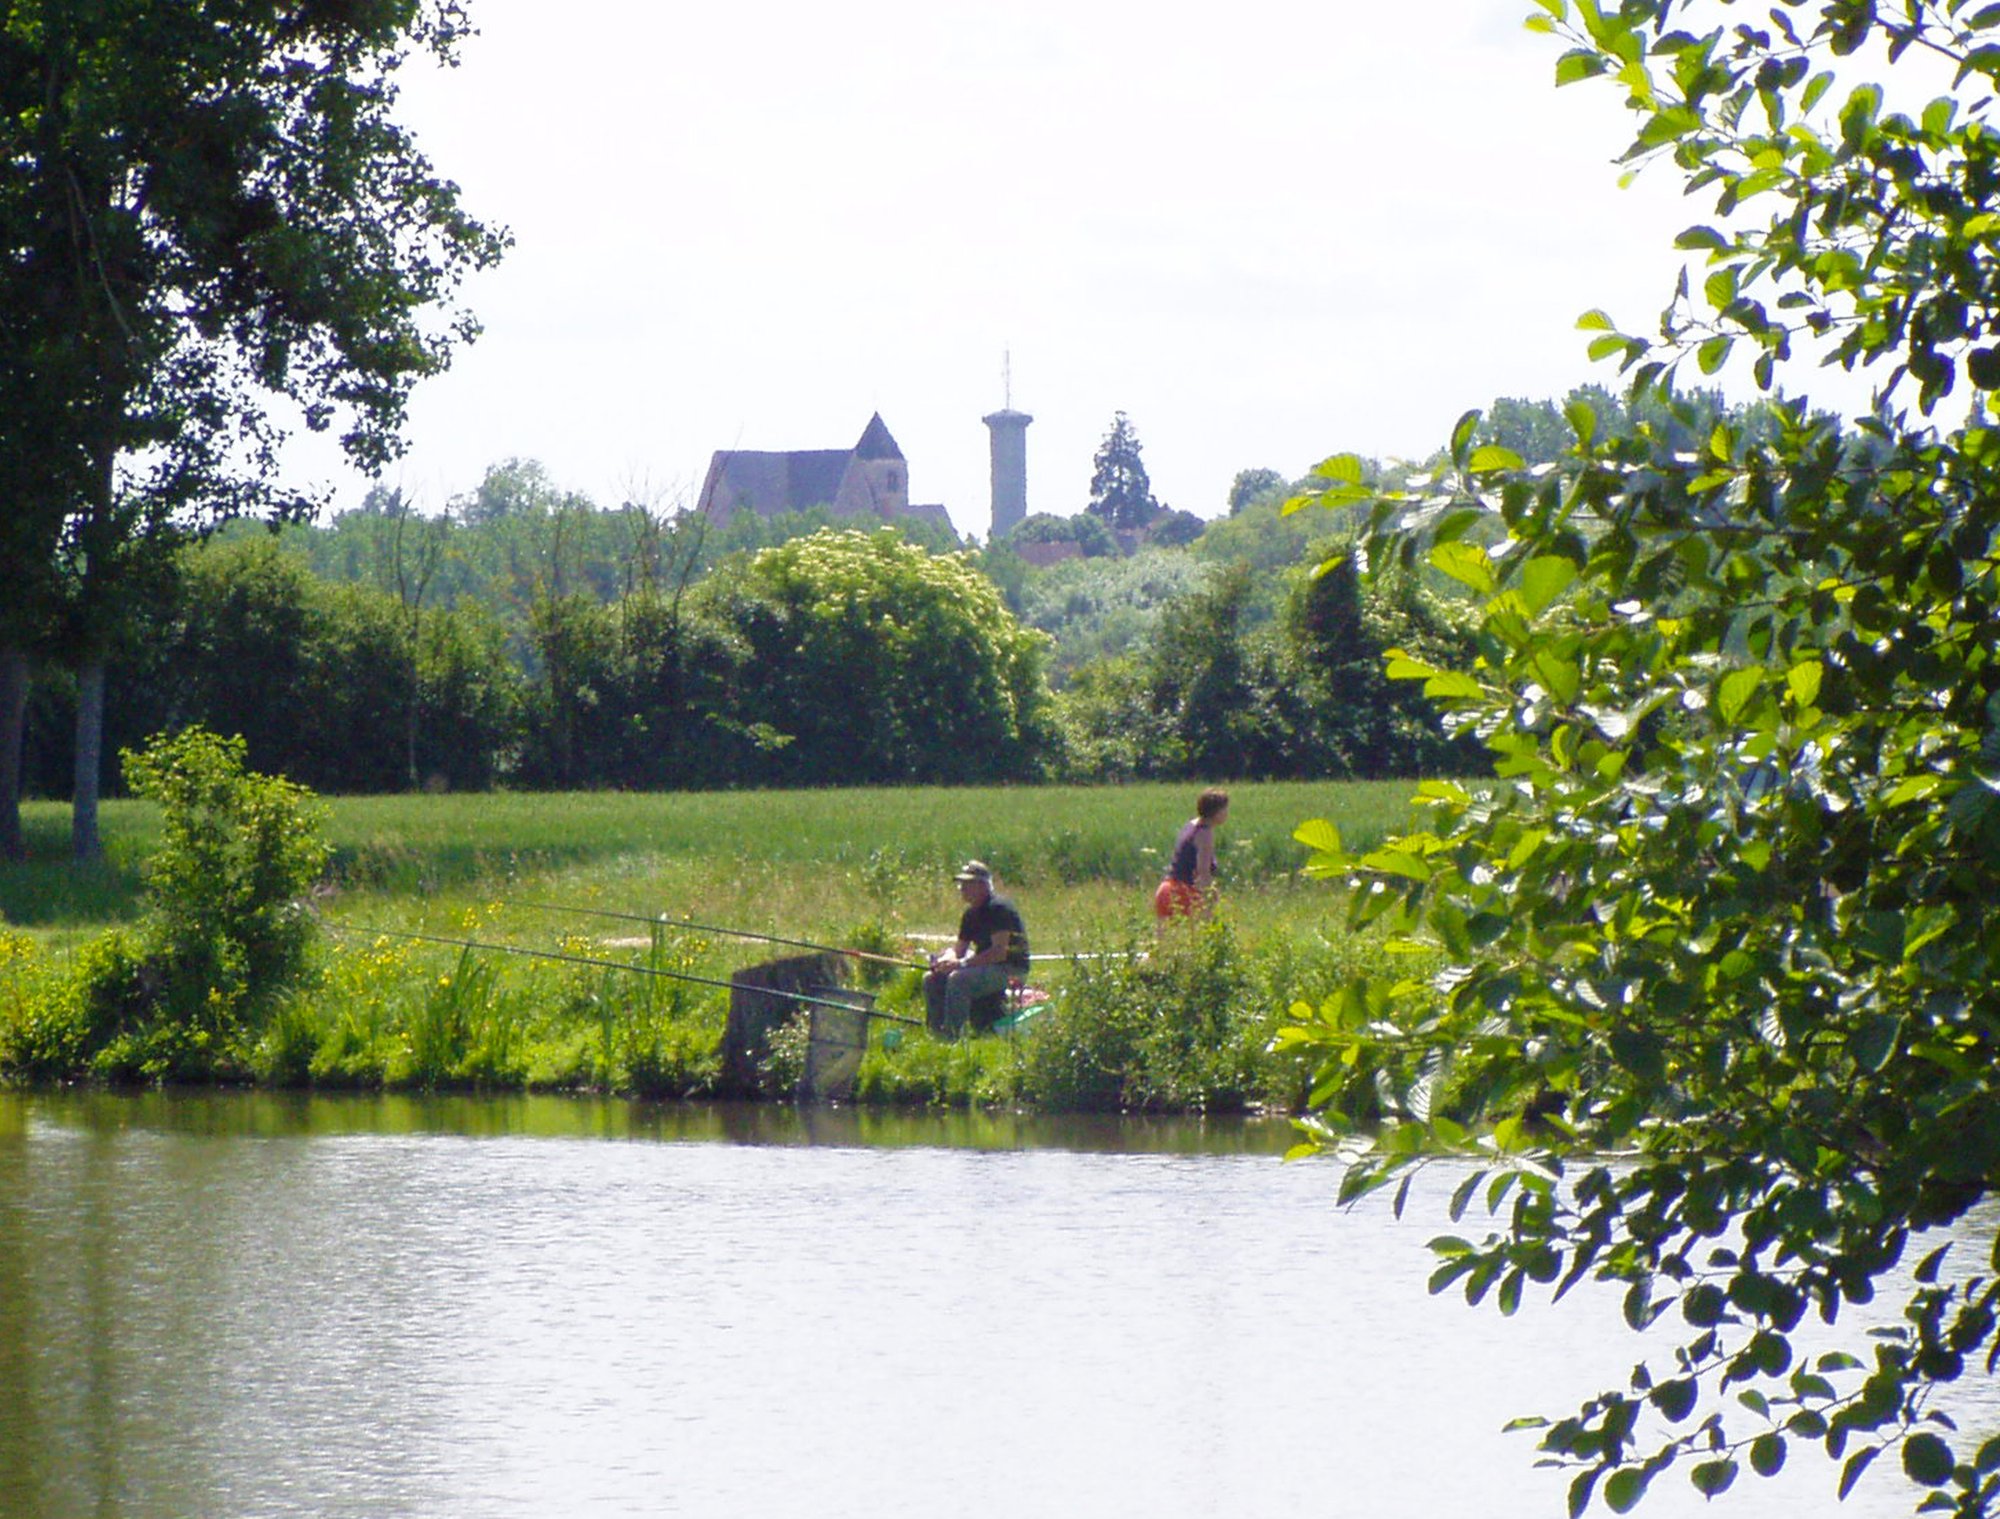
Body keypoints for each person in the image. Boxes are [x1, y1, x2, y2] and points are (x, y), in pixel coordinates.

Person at [924, 860, 1029, 1037]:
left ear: (982, 885)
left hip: (1010, 968)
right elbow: (959, 951)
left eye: (967, 884)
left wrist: (960, 964)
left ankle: (953, 1035)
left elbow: (999, 952)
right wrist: (944, 961)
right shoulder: (970, 914)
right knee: (932, 978)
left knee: (959, 980)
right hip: (987, 965)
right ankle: (936, 1033)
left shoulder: (999, 909)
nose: (962, 889)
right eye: (961, 884)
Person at [1154, 787, 1228, 920]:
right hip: (1183, 894)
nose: (1227, 813)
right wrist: (1210, 899)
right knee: (1198, 937)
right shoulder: (1205, 834)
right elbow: (1203, 872)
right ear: (1216, 812)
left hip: (1165, 890)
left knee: (1166, 940)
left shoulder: (1191, 825)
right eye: (1224, 809)